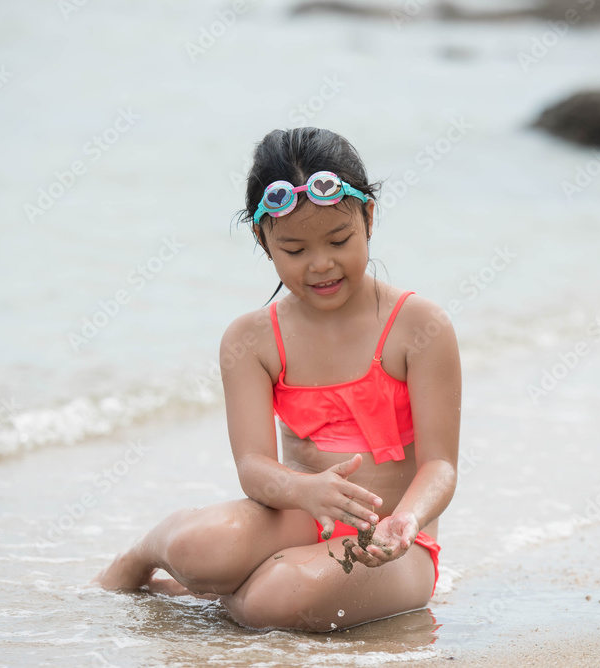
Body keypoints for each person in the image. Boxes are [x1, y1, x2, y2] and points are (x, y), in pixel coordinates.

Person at [93, 127, 461, 631]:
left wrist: (408, 520)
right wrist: (305, 490)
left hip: (393, 544)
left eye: (339, 240)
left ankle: (224, 591)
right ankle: (146, 551)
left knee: (277, 603)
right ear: (262, 240)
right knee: (197, 549)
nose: (321, 263)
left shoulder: (420, 326)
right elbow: (253, 465)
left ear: (369, 218)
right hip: (299, 515)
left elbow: (440, 465)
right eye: (294, 249)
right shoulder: (252, 339)